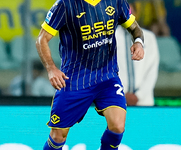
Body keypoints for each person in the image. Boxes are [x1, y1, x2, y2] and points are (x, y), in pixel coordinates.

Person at [35, 0, 144, 149]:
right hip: (74, 80)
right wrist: (51, 68)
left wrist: (138, 42)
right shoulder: (65, 5)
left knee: (118, 126)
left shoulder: (116, 1)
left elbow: (135, 28)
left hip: (107, 77)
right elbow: (41, 39)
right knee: (58, 136)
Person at [116, 3, 159, 106]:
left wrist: (139, 96)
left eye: (129, 13)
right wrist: (121, 94)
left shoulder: (149, 37)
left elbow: (152, 70)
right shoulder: (110, 37)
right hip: (117, 98)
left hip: (144, 101)